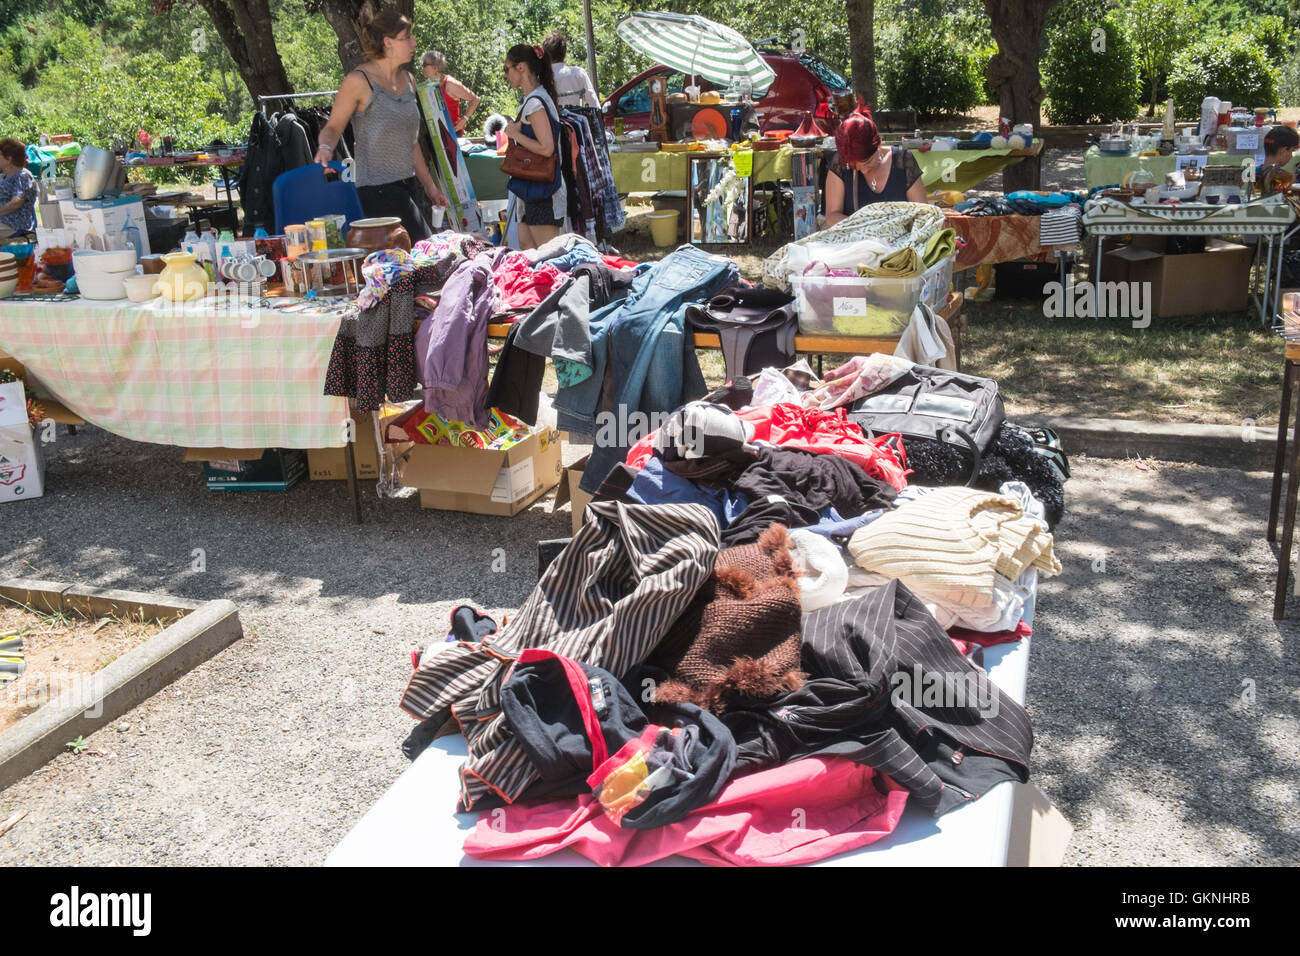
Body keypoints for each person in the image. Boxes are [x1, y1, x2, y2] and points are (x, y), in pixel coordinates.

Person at [314, 6, 447, 243]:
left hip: (408, 187)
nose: (414, 43)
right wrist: (325, 147)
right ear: (388, 42)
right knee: (423, 255)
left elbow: (411, 140)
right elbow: (333, 127)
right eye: (407, 38)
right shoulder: (358, 80)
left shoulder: (409, 80)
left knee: (417, 261)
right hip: (376, 190)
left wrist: (430, 187)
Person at [502, 43, 567, 250]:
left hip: (543, 191)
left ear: (521, 67)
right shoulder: (533, 99)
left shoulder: (535, 103)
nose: (505, 75)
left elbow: (547, 148)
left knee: (548, 259)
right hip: (534, 190)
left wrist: (516, 134)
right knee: (529, 251)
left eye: (506, 69)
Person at [824, 109, 927, 225]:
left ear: (879, 143)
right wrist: (863, 227)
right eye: (854, 166)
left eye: (868, 161)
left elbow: (923, 214)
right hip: (856, 240)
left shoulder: (903, 161)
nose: (864, 170)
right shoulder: (840, 164)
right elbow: (832, 215)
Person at [420, 50, 481, 135]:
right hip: (437, 135)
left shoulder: (450, 83)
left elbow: (475, 99)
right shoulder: (429, 84)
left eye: (424, 65)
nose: (422, 67)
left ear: (435, 68)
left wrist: (464, 119)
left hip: (453, 133)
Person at [542, 31, 599, 110]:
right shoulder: (579, 73)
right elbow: (594, 104)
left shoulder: (540, 78)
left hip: (550, 121)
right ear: (564, 54)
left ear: (544, 55)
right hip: (577, 120)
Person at [0, 138, 37, 241]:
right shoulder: (4, 176)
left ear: (9, 159)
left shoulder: (23, 176)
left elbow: (16, 203)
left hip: (15, 225)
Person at [1257, 125, 1298, 197]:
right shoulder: (1286, 179)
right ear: (1283, 151)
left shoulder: (1251, 174)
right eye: (1292, 151)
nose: (1291, 156)